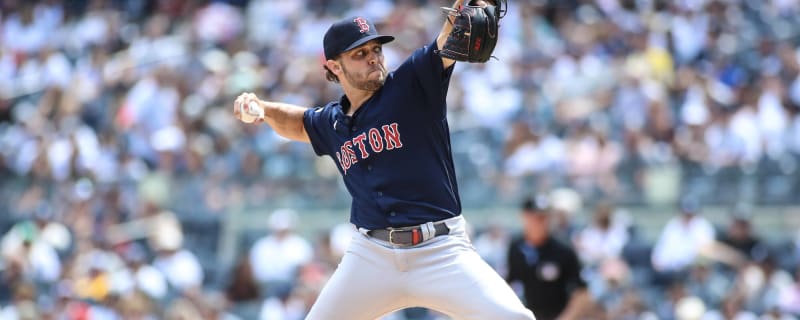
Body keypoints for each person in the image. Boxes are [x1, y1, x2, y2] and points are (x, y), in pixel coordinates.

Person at [232, 1, 534, 319]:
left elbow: (446, 40)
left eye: (375, 49)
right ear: (335, 67)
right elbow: (297, 122)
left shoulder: (412, 84)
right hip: (372, 255)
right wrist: (263, 110)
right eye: (359, 54)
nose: (373, 58)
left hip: (440, 250)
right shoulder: (331, 122)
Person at [506, 195, 592, 320]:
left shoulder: (563, 249)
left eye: (544, 217)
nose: (540, 222)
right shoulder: (516, 248)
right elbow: (510, 283)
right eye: (535, 217)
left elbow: (581, 293)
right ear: (524, 216)